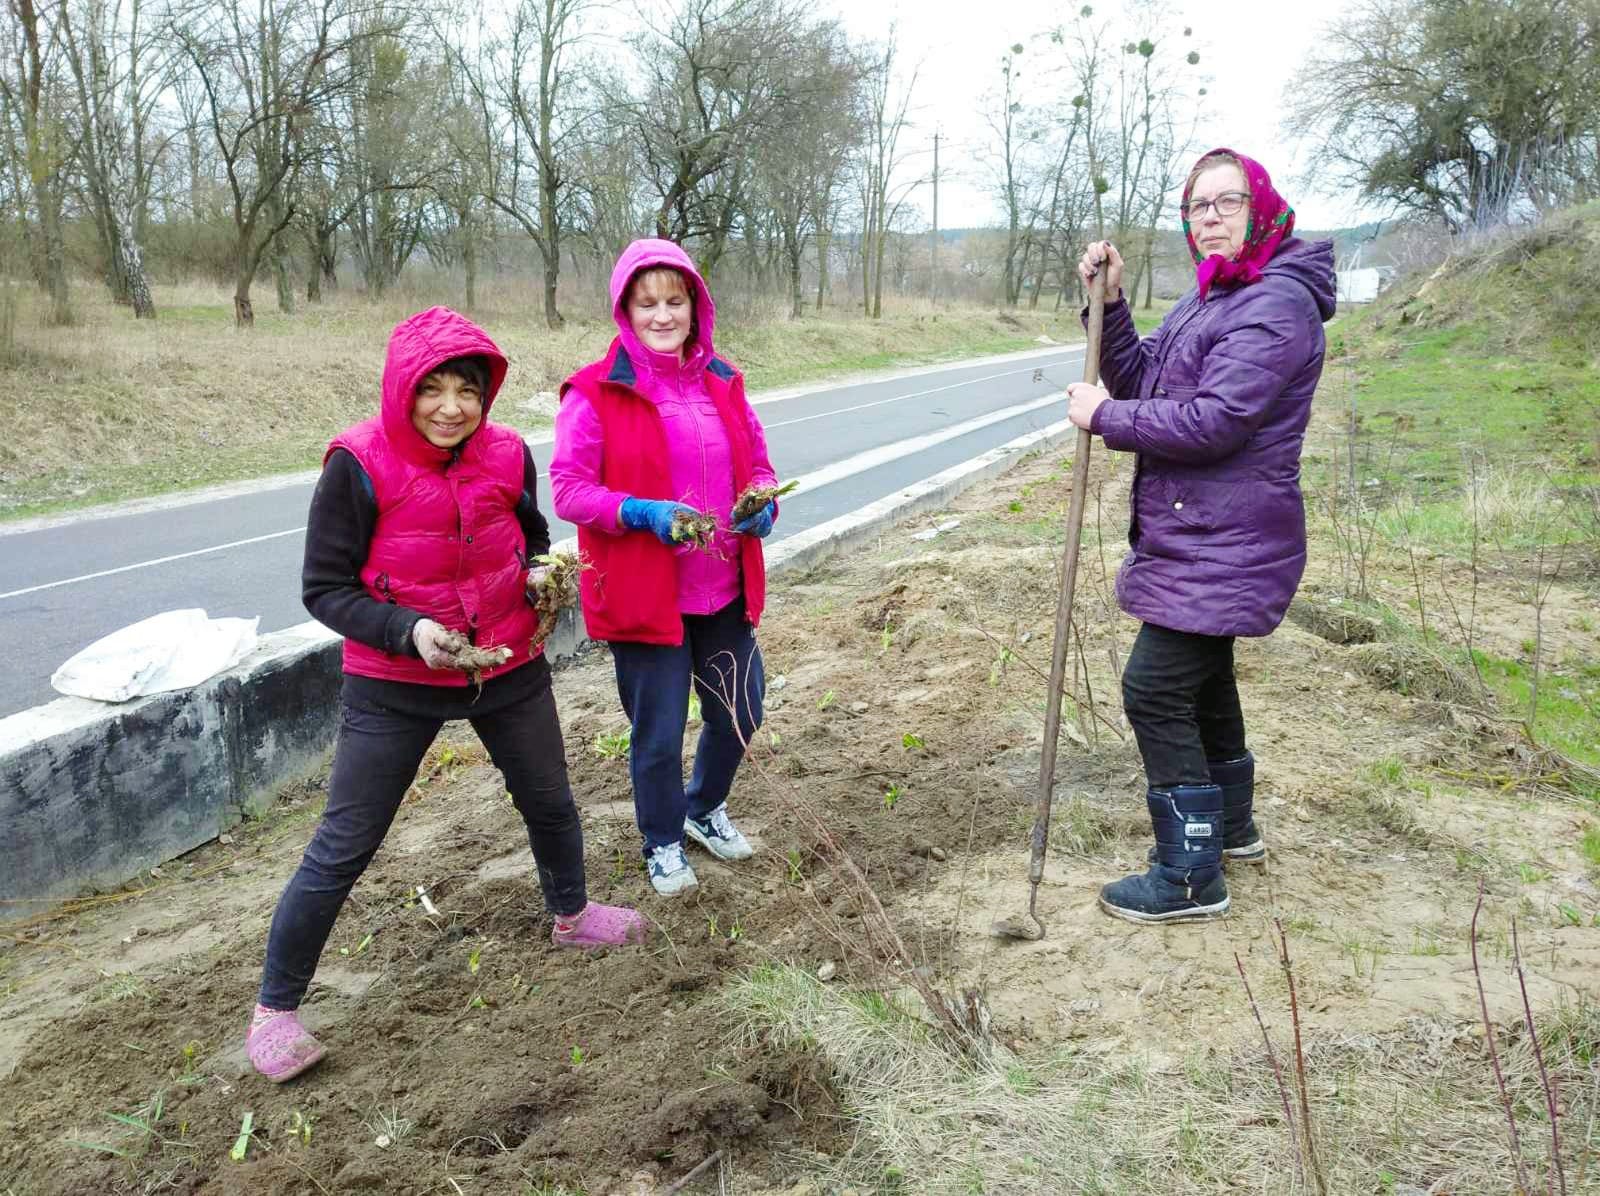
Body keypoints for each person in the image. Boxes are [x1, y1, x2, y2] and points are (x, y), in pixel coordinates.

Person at [247, 307, 644, 1083]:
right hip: (395, 681)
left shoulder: (503, 452)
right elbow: (324, 589)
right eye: (432, 388)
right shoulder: (356, 465)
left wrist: (538, 573)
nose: (451, 406)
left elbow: (528, 534)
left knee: (552, 803)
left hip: (506, 664)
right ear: (403, 391)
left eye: (467, 388)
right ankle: (275, 1010)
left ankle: (573, 915)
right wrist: (408, 630)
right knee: (343, 845)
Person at [1064, 148, 1336, 925]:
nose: (1209, 218)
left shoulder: (1273, 303)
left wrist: (1101, 419)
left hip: (1230, 536)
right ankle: (1234, 830)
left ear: (1263, 210)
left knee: (1153, 688)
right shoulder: (1216, 295)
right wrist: (1111, 306)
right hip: (1200, 532)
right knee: (1205, 681)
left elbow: (1217, 421)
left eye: (1226, 203)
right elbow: (1145, 380)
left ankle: (1190, 874)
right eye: (1196, 206)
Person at [551, 239, 779, 897]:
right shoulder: (595, 393)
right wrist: (642, 513)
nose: (662, 315)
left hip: (723, 585)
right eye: (647, 302)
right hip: (647, 595)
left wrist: (761, 503)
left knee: (741, 711)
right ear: (625, 308)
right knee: (657, 733)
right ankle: (663, 842)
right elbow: (568, 488)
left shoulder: (723, 380)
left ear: (694, 305)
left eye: (674, 300)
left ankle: (702, 808)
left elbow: (758, 463)